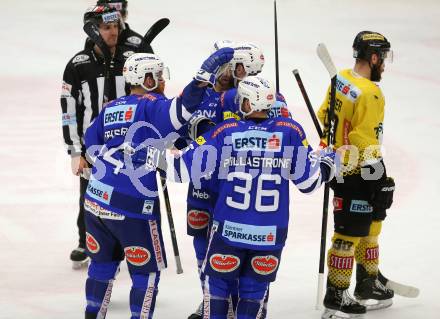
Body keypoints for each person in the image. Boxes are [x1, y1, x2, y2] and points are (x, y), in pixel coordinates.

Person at [82, 48, 234, 319]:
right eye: (159, 76)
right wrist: (201, 77)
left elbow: (90, 146)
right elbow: (181, 109)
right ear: (147, 79)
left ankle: (93, 314)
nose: (163, 81)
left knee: (101, 266)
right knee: (145, 273)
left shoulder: (109, 109)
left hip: (95, 200)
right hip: (132, 205)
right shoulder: (150, 105)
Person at [177, 76, 336, 319]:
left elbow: (182, 169)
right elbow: (309, 182)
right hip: (269, 235)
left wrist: (154, 155)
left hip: (228, 231)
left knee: (218, 292)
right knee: (253, 298)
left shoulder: (226, 131)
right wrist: (327, 161)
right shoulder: (290, 131)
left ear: (249, 103)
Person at [185, 40, 267, 319]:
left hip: (236, 188)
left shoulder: (248, 96)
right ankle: (210, 299)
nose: (223, 69)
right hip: (202, 184)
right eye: (218, 63)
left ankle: (248, 303)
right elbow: (178, 126)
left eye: (228, 64)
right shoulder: (202, 95)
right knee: (202, 243)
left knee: (243, 248)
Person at [317, 31, 395, 319]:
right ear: (373, 57)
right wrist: (379, 178)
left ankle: (367, 281)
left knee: (370, 223)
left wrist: (330, 147)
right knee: (348, 234)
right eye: (383, 58)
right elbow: (365, 140)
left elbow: (324, 114)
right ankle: (336, 293)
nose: (384, 64)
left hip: (339, 166)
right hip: (358, 170)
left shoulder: (341, 79)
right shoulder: (371, 93)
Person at [61, 4, 133, 269]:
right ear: (93, 30)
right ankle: (86, 241)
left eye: (116, 26)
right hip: (93, 148)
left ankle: (129, 242)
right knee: (90, 197)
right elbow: (69, 110)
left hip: (128, 145)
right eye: (106, 27)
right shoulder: (78, 65)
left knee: (129, 193)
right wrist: (75, 151)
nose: (113, 32)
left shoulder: (130, 59)